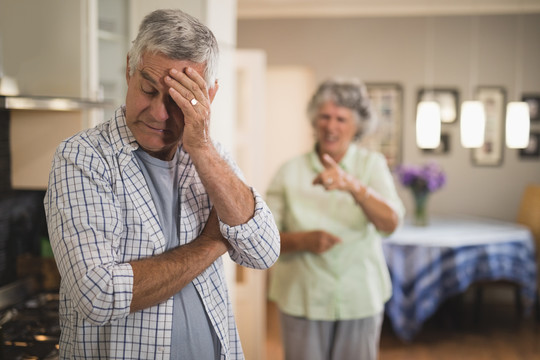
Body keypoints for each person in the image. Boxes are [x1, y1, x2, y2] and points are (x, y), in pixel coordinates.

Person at [44, 9, 280, 360]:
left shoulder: (210, 156)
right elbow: (99, 295)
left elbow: (263, 251)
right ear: (129, 69)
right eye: (148, 90)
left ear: (208, 96)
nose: (158, 113)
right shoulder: (82, 158)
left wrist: (200, 147)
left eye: (177, 101)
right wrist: (213, 243)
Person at [266, 78, 405, 360]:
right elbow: (264, 238)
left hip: (359, 296)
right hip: (301, 296)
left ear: (357, 126)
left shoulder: (371, 165)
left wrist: (354, 186)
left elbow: (390, 224)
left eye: (341, 119)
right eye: (325, 117)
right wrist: (303, 240)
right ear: (314, 121)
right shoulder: (288, 171)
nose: (331, 126)